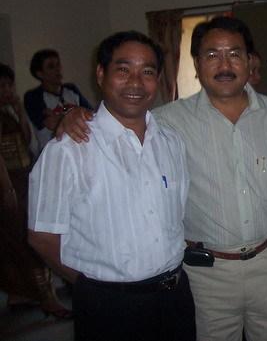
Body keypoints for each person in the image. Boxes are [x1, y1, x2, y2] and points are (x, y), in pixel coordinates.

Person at [58, 17, 267, 341]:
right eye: (212, 55)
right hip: (206, 275)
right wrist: (74, 116)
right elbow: (118, 118)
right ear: (197, 64)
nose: (224, 65)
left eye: (234, 54)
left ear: (249, 60)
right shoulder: (165, 122)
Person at [28, 32, 196, 341]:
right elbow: (42, 236)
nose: (136, 82)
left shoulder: (171, 142)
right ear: (100, 74)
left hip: (175, 297)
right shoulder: (68, 148)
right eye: (123, 69)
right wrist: (93, 287)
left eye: (147, 72)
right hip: (108, 305)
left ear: (158, 79)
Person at [0, 63, 71, 318]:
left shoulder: (11, 111)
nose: (7, 90)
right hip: (7, 183)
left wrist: (19, 110)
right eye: (1, 86)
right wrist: (7, 187)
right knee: (18, 239)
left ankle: (33, 295)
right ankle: (41, 296)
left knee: (22, 235)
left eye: (9, 85)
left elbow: (27, 140)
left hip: (22, 176)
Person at [24, 49, 92, 152]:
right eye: (51, 66)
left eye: (58, 65)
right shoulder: (33, 96)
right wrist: (75, 114)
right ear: (40, 74)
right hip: (52, 152)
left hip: (79, 149)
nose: (58, 69)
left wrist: (60, 116)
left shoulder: (71, 89)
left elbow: (90, 116)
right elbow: (51, 123)